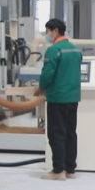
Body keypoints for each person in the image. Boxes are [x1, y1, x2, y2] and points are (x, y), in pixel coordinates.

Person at [35, 18, 82, 180]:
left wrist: (41, 87)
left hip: (57, 98)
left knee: (56, 134)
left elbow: (47, 74)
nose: (46, 35)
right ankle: (70, 169)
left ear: (55, 31)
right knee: (70, 133)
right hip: (73, 97)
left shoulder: (54, 50)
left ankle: (58, 171)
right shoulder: (75, 50)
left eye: (48, 31)